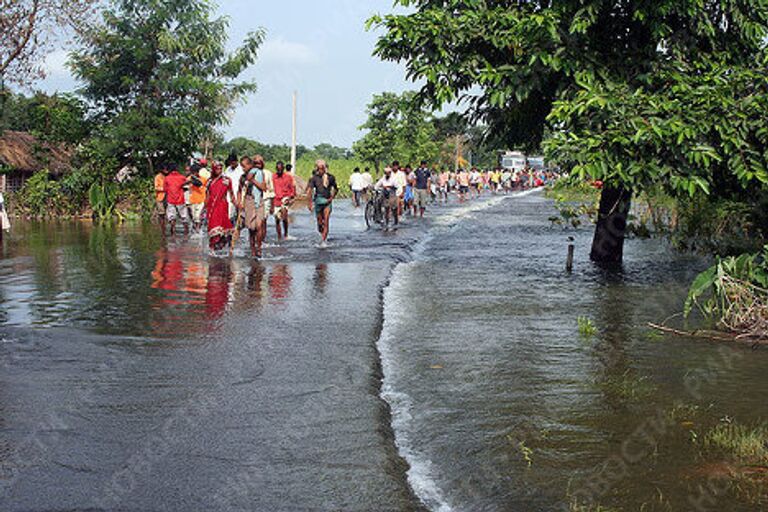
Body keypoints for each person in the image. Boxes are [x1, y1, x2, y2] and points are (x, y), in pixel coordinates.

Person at [205, 161, 236, 252]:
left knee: (224, 230)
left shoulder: (227, 180)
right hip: (212, 208)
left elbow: (231, 194)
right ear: (213, 169)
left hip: (222, 207)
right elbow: (207, 196)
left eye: (220, 168)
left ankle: (224, 249)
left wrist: (238, 204)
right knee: (214, 230)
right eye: (217, 168)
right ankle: (213, 251)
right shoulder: (209, 181)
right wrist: (204, 209)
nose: (219, 170)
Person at [306, 159, 338, 245]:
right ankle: (322, 232)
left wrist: (332, 197)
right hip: (318, 201)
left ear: (325, 169)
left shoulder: (331, 178)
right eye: (319, 168)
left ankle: (323, 241)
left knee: (326, 220)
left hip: (327, 201)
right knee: (320, 223)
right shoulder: (314, 178)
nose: (321, 170)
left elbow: (335, 188)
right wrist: (309, 203)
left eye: (322, 168)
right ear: (316, 169)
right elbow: (310, 191)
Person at [242, 156, 267, 258]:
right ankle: (253, 250)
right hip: (249, 201)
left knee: (259, 225)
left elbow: (263, 188)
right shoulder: (245, 175)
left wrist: (253, 180)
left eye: (259, 163)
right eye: (255, 163)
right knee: (251, 228)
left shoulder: (260, 173)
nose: (257, 165)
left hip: (259, 201)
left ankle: (259, 247)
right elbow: (242, 186)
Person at [272, 160, 296, 241]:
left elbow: (292, 189)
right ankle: (279, 236)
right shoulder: (273, 177)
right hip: (275, 199)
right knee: (277, 219)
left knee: (284, 216)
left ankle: (285, 234)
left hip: (284, 199)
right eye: (278, 169)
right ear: (276, 168)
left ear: (283, 169)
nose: (279, 171)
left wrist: (290, 198)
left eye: (281, 169)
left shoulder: (288, 177)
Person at [164, 163, 189, 235]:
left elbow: (165, 189)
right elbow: (187, 187)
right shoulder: (182, 177)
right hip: (180, 200)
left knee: (172, 217)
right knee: (184, 217)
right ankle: (186, 232)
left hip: (170, 200)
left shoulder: (167, 178)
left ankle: (173, 232)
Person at [187, 163, 208, 232]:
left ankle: (198, 230)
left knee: (198, 216)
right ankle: (195, 227)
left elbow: (207, 189)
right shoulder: (188, 179)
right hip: (192, 200)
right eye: (193, 172)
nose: (194, 173)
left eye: (196, 172)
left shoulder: (203, 179)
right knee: (193, 217)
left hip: (201, 200)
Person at [223, 154, 243, 223]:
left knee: (240, 217)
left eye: (232, 162)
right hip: (230, 196)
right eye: (230, 162)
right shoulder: (227, 170)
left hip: (240, 196)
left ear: (236, 161)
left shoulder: (241, 169)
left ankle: (238, 232)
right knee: (230, 216)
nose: (231, 164)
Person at [153, 164, 168, 233]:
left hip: (167, 197)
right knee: (161, 213)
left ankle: (165, 227)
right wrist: (164, 189)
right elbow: (156, 187)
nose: (166, 171)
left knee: (167, 214)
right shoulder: (157, 177)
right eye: (165, 169)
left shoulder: (167, 177)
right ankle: (162, 227)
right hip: (160, 197)